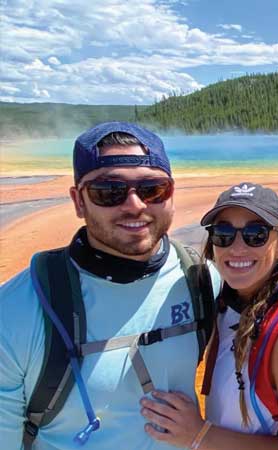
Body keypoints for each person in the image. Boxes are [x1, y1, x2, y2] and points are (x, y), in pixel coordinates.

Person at [0, 122, 218, 449]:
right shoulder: (19, 309)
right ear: (78, 201)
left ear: (171, 192)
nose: (134, 205)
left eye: (152, 189)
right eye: (108, 191)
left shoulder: (202, 281)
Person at [140, 182, 278, 450]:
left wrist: (199, 435)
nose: (237, 247)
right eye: (223, 233)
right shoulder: (224, 302)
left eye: (256, 234)